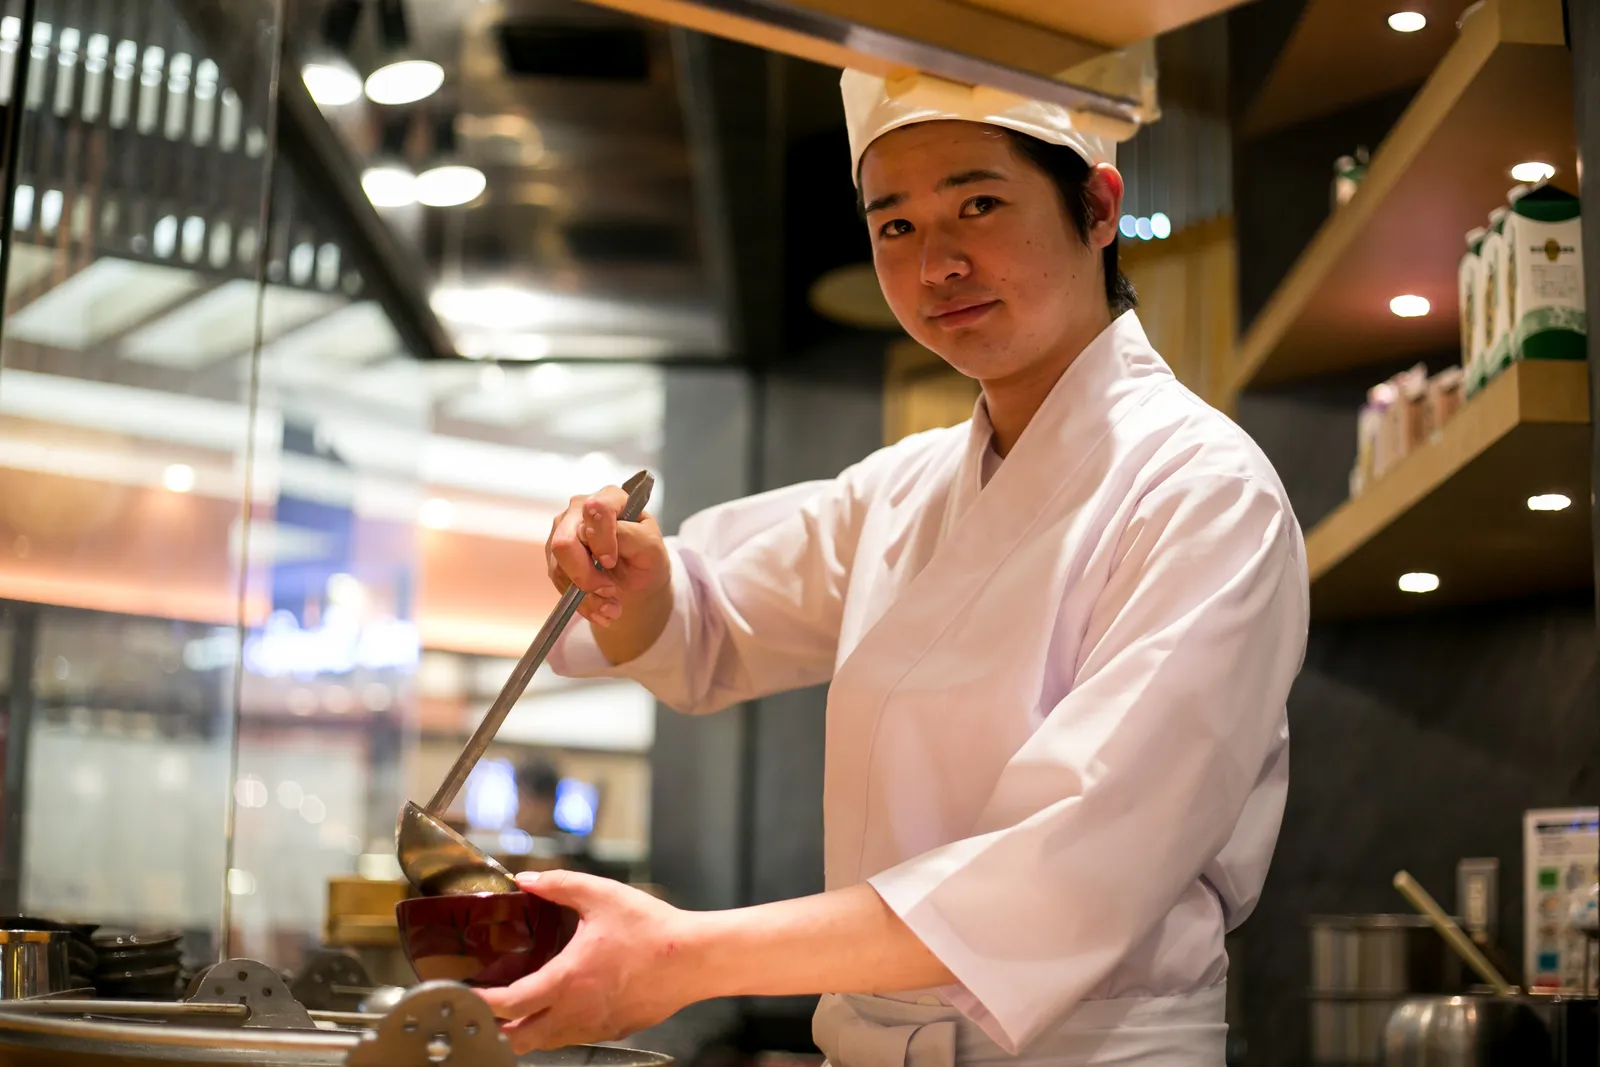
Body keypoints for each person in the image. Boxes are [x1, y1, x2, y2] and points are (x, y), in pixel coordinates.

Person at [476, 68, 1309, 1066]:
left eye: (979, 205)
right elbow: (710, 616)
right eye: (896, 225)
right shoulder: (905, 487)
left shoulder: (1204, 490)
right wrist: (638, 582)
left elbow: (1064, 869)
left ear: (1097, 207)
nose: (937, 264)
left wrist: (680, 955)